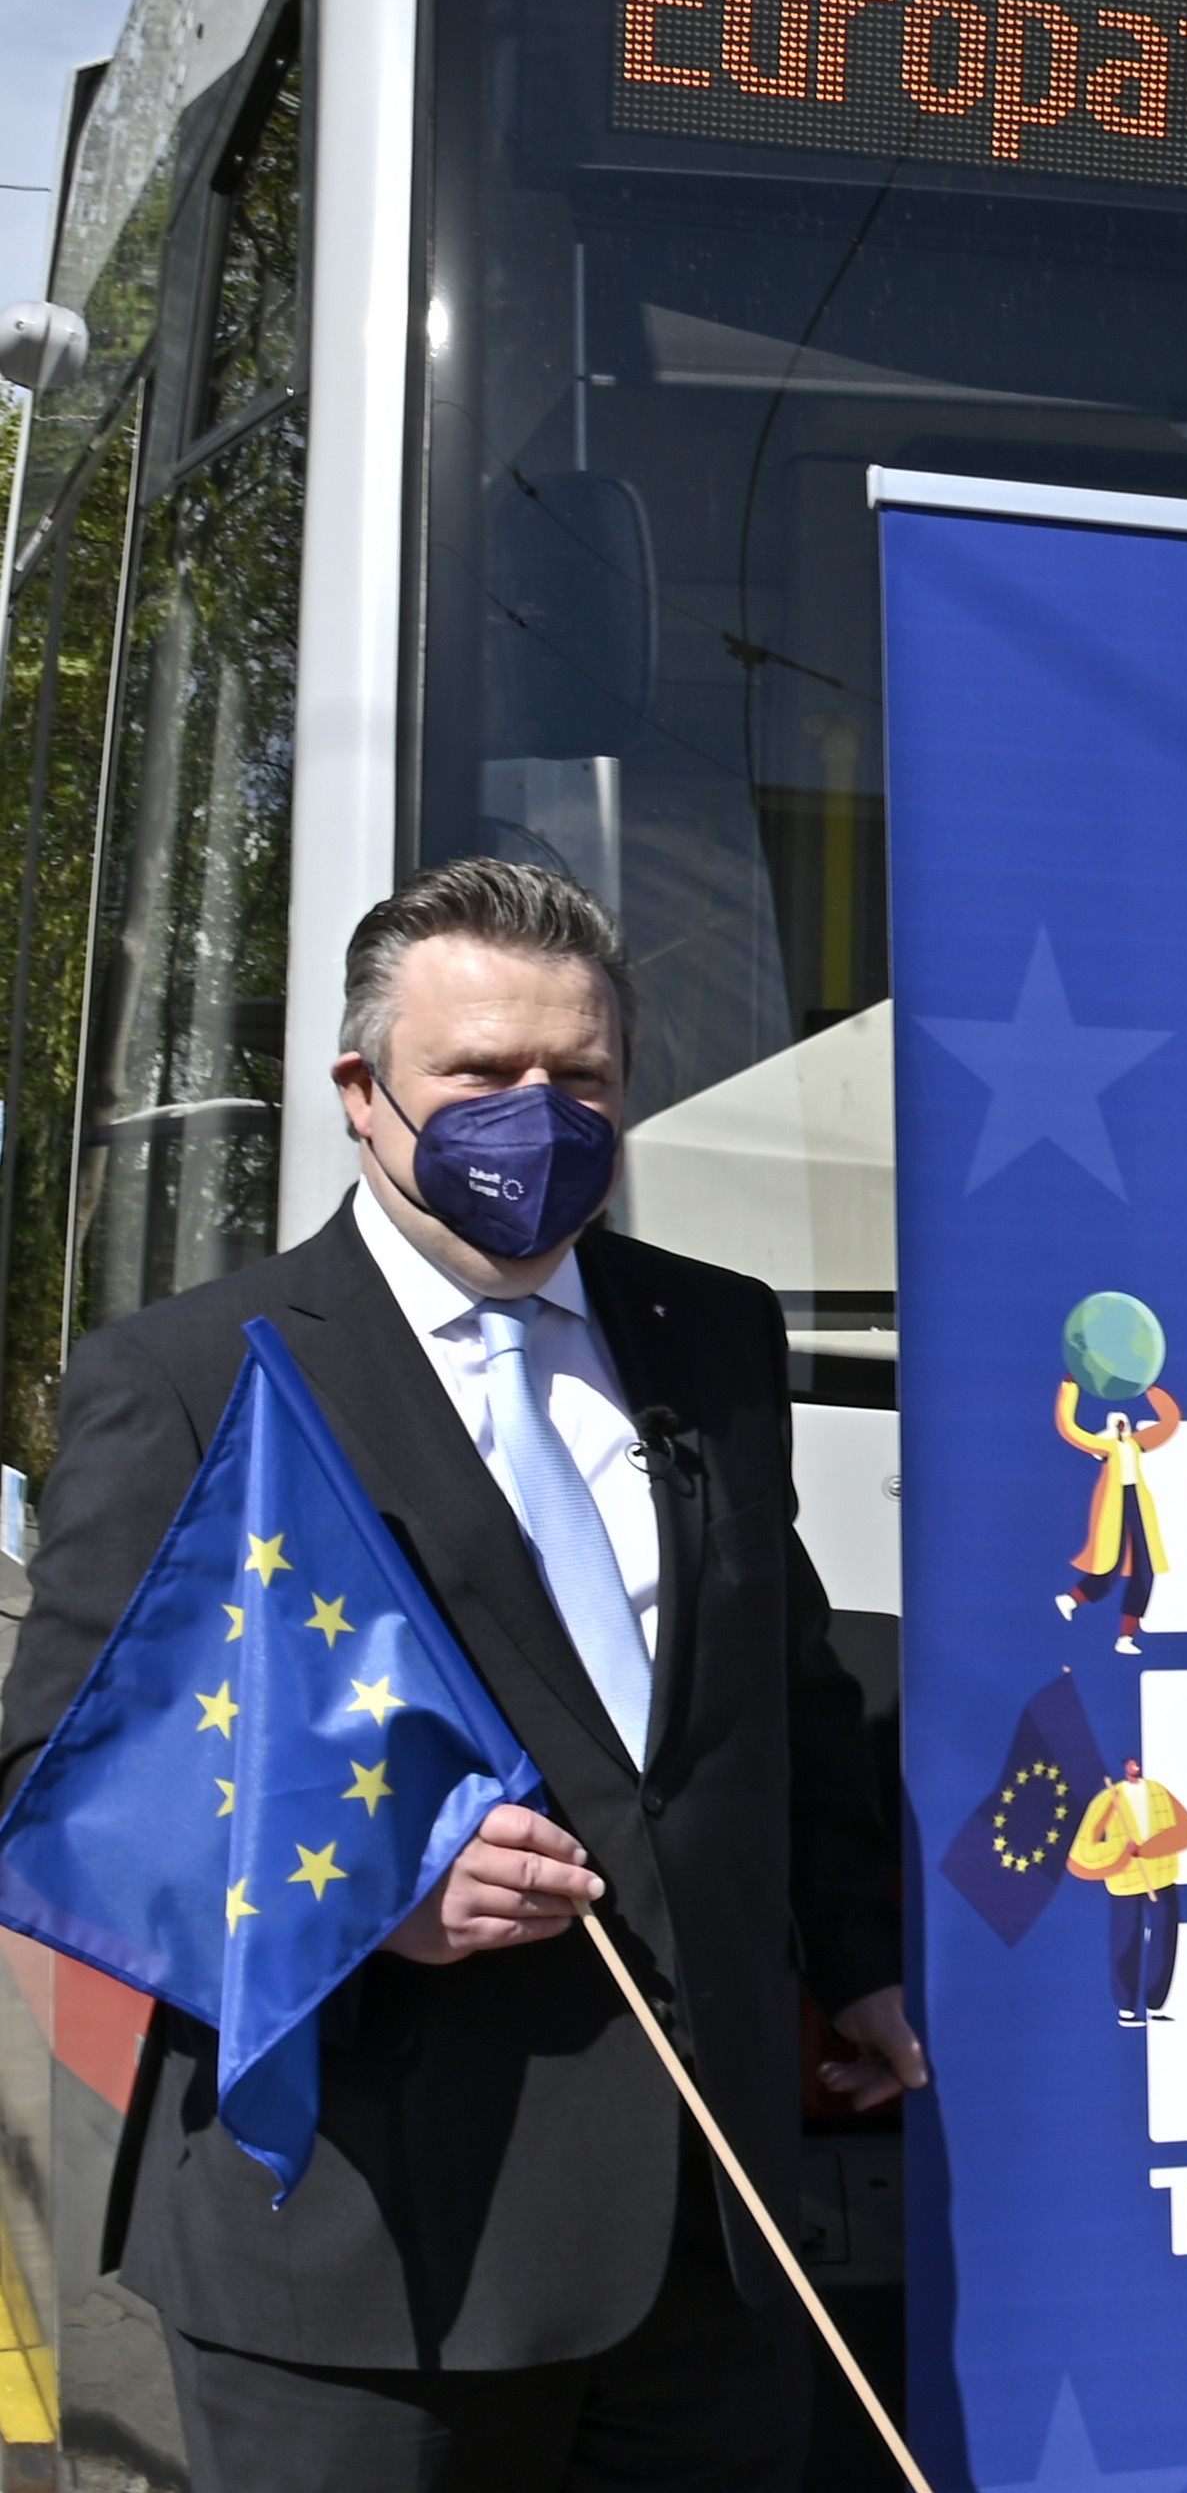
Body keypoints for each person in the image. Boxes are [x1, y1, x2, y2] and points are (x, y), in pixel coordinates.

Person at [0, 858, 924, 2493]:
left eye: (577, 1076)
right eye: (480, 1075)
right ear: (362, 1092)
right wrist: (372, 1890)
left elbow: (779, 1692)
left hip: (709, 2244)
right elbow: (54, 1793)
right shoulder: (194, 1376)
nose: (536, 1113)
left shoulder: (710, 1335)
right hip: (369, 2267)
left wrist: (861, 1959)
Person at [1067, 1756, 1187, 2028]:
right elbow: (1082, 1849)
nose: (1134, 1768)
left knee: (1164, 1938)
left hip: (1160, 1879)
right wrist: (1121, 1854)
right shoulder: (1109, 1798)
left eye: (1137, 1765)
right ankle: (1126, 2007)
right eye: (1129, 1765)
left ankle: (1156, 2003)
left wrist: (1147, 1849)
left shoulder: (1159, 1792)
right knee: (1125, 1942)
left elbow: (1185, 1830)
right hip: (1124, 1884)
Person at [1055, 1379, 1182, 1655]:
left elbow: (1169, 1424)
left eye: (1123, 1423)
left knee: (1146, 1571)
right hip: (1115, 1507)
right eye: (1115, 1426)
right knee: (1108, 1570)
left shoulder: (1136, 1446)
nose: (1121, 1425)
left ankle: (1126, 1635)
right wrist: (1069, 1389)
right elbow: (1070, 1430)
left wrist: (1152, 1389)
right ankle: (1071, 1599)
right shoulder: (1107, 1449)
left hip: (1138, 1505)